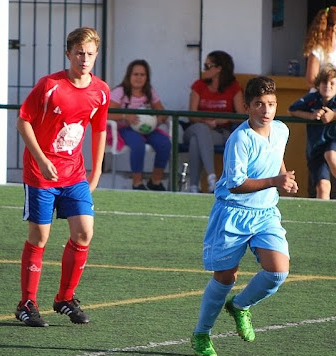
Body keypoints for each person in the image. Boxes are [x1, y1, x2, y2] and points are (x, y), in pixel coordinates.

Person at [191, 76, 298, 356]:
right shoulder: (240, 139)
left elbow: (277, 156)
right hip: (232, 213)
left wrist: (284, 177)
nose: (266, 110)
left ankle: (239, 305)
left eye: (271, 104)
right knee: (226, 277)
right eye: (259, 104)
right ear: (247, 107)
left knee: (278, 271)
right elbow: (236, 185)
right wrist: (275, 181)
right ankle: (202, 333)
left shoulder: (282, 130)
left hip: (265, 213)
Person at [15, 27, 110, 327]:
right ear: (68, 54)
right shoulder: (49, 85)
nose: (84, 58)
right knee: (39, 237)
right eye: (79, 53)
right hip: (40, 174)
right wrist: (41, 160)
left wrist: (96, 170)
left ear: (96, 55)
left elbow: (100, 129)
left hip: (74, 174)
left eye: (90, 53)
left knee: (84, 232)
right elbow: (23, 122)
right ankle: (27, 303)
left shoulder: (101, 91)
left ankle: (65, 298)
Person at [289, 65, 336, 200]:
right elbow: (292, 110)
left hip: (335, 139)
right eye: (324, 82)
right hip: (316, 146)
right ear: (318, 85)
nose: (328, 86)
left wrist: (334, 116)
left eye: (332, 83)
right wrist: (311, 116)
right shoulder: (312, 99)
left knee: (330, 154)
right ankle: (321, 212)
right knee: (322, 188)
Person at [184, 50, 245, 193]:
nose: (204, 70)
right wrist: (206, 122)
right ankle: (211, 177)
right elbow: (192, 115)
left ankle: (194, 186)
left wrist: (221, 120)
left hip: (219, 132)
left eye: (207, 66)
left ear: (219, 68)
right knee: (200, 129)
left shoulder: (233, 88)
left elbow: (242, 115)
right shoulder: (198, 85)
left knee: (195, 141)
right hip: (195, 128)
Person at [108, 59, 171, 191]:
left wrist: (158, 118)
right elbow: (107, 114)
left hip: (147, 129)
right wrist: (126, 116)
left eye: (142, 75)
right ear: (129, 76)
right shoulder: (120, 91)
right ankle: (137, 183)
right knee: (137, 144)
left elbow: (162, 112)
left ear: (147, 77)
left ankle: (155, 181)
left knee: (164, 143)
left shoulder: (149, 92)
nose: (139, 78)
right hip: (125, 128)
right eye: (135, 74)